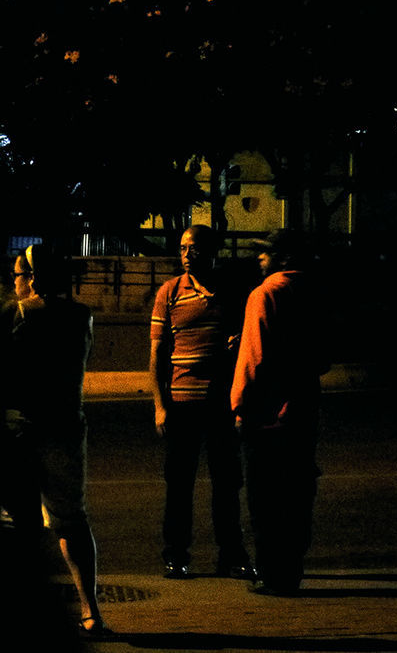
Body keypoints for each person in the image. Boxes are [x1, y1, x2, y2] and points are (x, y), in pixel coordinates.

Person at [0, 244, 108, 637]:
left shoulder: (20, 314)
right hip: (67, 427)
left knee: (17, 522)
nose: (15, 281)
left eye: (18, 274)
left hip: (24, 428)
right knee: (71, 520)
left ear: (33, 278)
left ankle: (19, 612)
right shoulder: (82, 316)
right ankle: (91, 610)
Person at [148, 224, 253, 579]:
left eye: (193, 248)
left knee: (227, 483)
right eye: (182, 249)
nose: (187, 255)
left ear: (211, 251)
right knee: (179, 486)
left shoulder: (231, 293)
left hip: (221, 403)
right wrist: (160, 405)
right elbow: (157, 355)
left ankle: (232, 555)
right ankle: (176, 555)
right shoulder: (169, 293)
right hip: (182, 403)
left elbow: (244, 341)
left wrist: (235, 345)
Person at [230, 229, 327, 596]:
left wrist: (240, 406)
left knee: (265, 498)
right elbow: (322, 357)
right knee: (298, 494)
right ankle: (292, 569)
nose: (260, 258)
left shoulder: (266, 293)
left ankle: (272, 574)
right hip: (303, 410)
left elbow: (253, 360)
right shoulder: (316, 292)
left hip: (266, 415)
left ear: (283, 258)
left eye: (266, 253)